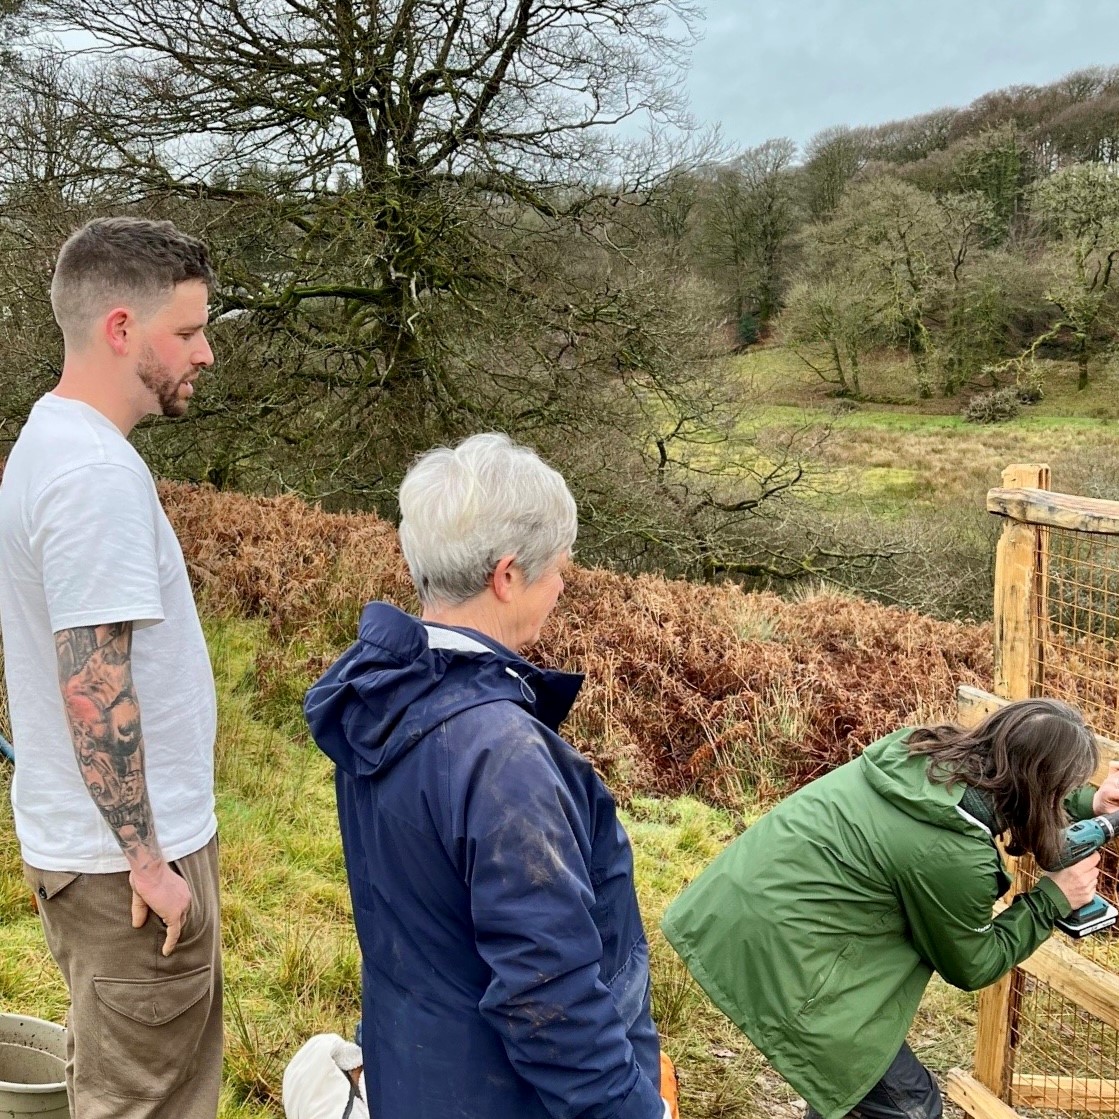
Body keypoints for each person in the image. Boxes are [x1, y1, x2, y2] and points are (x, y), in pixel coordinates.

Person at [304, 433, 671, 1119]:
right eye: (558, 567)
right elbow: (548, 998)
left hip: (414, 1071)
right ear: (506, 576)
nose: (563, 584)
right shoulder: (503, 756)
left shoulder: (382, 699)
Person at [0, 217, 222, 1119]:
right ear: (122, 329)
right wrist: (148, 861)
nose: (206, 353)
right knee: (146, 1103)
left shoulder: (54, 440)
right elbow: (95, 686)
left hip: (97, 855)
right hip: (123, 869)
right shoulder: (92, 474)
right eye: (189, 330)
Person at [661, 699, 1119, 1119]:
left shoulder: (920, 753)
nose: (1067, 793)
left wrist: (1090, 803)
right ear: (1039, 782)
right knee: (909, 1107)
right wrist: (1053, 898)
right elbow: (973, 964)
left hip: (736, 906)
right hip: (789, 952)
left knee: (857, 1091)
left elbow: (1016, 785)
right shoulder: (953, 851)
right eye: (1065, 787)